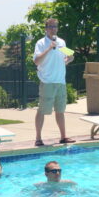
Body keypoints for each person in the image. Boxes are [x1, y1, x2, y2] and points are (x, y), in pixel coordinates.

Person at [33, 18, 75, 146]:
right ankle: (38, 139)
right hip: (47, 81)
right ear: (46, 29)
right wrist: (49, 48)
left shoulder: (61, 42)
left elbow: (68, 57)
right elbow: (37, 61)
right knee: (42, 110)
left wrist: (70, 58)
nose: (53, 29)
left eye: (55, 26)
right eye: (51, 27)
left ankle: (63, 137)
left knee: (60, 111)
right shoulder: (41, 43)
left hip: (60, 81)